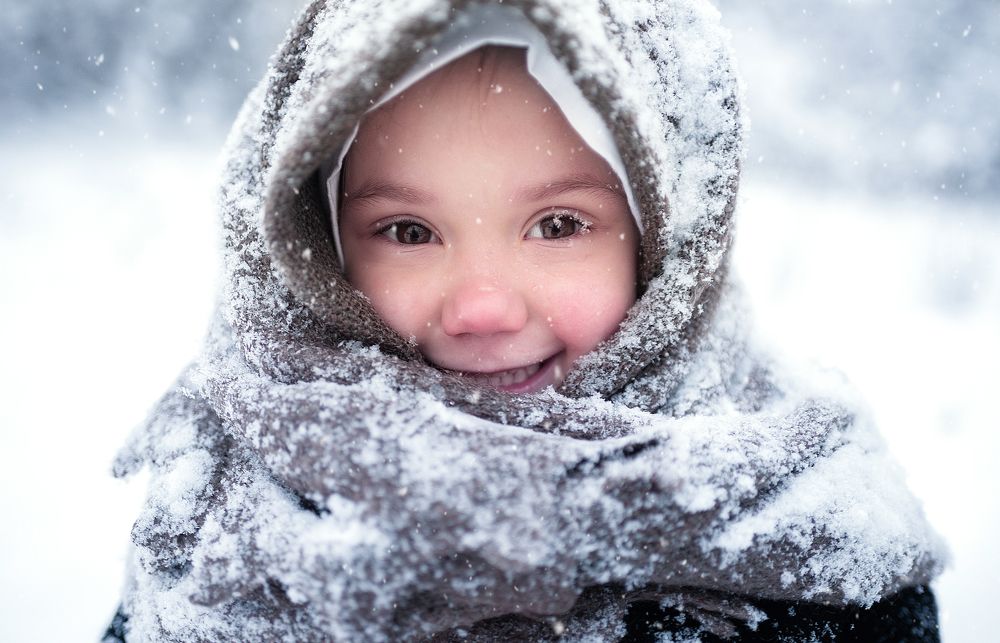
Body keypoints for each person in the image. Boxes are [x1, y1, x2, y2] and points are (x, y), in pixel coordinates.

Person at [105, 1, 945, 641]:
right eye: (408, 232)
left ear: (665, 246)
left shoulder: (805, 541)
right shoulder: (227, 521)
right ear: (318, 256)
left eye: (557, 226)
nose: (482, 307)